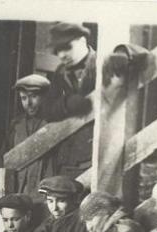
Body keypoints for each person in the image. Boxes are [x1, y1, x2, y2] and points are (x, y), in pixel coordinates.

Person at [42, 22, 97, 177]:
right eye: (58, 50)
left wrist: (123, 52)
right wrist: (67, 104)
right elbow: (47, 110)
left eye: (67, 47)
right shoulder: (60, 72)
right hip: (68, 155)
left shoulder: (101, 63)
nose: (62, 55)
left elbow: (138, 54)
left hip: (96, 151)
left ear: (82, 40)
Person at [0, 74, 53, 197]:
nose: (29, 103)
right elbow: (3, 160)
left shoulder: (54, 124)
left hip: (45, 193)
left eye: (34, 97)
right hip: (18, 192)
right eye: (23, 98)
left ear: (44, 97)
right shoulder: (16, 125)